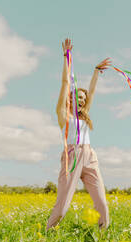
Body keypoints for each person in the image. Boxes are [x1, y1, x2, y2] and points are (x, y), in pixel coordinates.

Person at [46, 38, 112, 231]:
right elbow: (66, 82)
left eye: (84, 99)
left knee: (102, 204)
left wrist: (96, 71)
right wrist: (66, 57)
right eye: (78, 97)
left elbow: (92, 91)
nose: (82, 101)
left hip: (90, 156)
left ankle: (103, 238)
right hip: (72, 157)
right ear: (71, 99)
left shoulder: (84, 117)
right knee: (62, 207)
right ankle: (46, 234)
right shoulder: (63, 115)